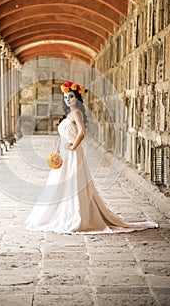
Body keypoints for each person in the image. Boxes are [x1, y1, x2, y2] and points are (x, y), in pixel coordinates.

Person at [25, 81, 158, 234]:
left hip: (73, 152)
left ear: (77, 98)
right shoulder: (67, 114)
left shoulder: (77, 113)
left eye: (71, 96)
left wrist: (73, 146)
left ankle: (76, 215)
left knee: (73, 182)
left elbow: (81, 132)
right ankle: (59, 212)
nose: (68, 99)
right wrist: (56, 151)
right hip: (64, 151)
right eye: (65, 97)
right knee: (59, 182)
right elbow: (61, 136)